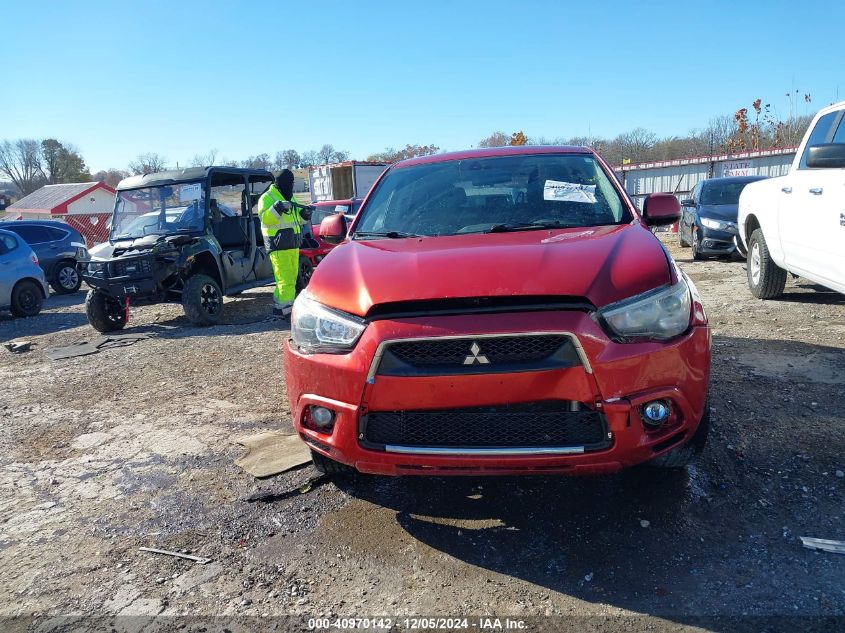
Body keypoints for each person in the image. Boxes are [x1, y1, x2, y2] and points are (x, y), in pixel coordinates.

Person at [257, 169, 312, 316]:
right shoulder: (267, 197)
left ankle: (280, 306)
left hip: (292, 244)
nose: (292, 186)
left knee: (290, 278)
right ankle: (286, 311)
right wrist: (277, 208)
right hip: (278, 244)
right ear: (281, 183)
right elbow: (265, 219)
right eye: (290, 183)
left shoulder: (291, 196)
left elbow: (297, 219)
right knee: (285, 279)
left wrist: (305, 214)